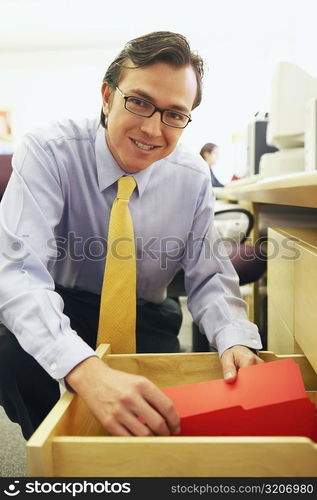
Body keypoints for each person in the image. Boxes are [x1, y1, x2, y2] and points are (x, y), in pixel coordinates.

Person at [0, 31, 263, 441]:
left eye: (174, 114)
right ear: (107, 96)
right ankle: (57, 455)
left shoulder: (191, 176)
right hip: (64, 299)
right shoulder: (49, 150)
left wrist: (235, 341)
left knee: (160, 418)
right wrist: (84, 370)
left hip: (145, 313)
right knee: (12, 357)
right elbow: (18, 270)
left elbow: (209, 277)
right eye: (139, 102)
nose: (152, 129)